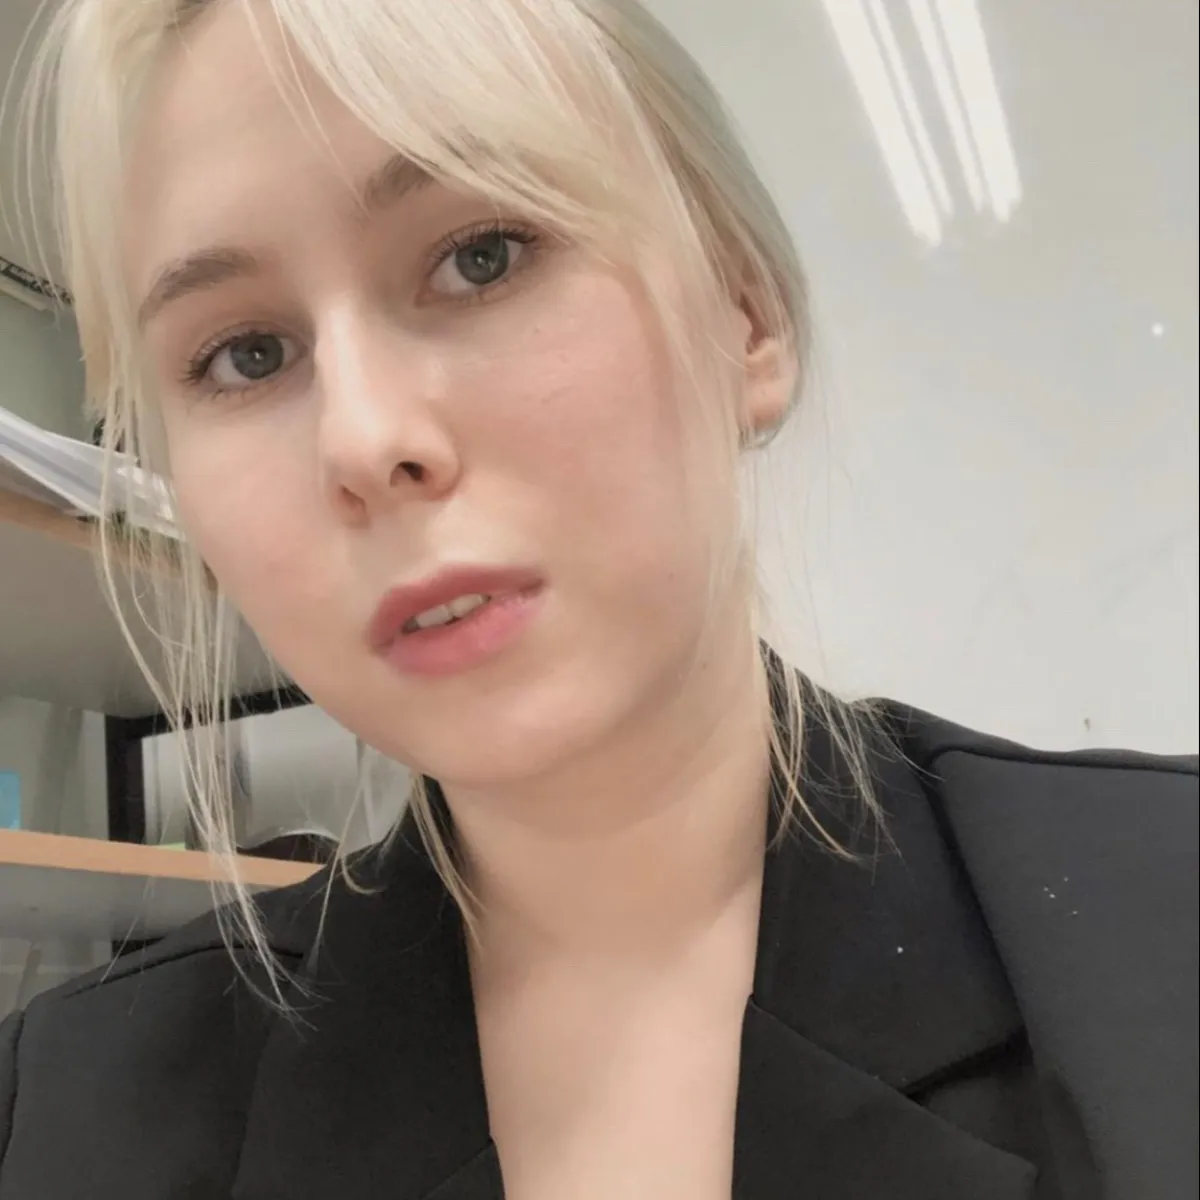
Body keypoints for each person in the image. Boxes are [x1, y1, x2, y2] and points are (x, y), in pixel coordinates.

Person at [0, 1, 1195, 1197]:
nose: (364, 439)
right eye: (245, 356)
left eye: (482, 255)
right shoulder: (63, 1114)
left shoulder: (1160, 929)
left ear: (747, 318)